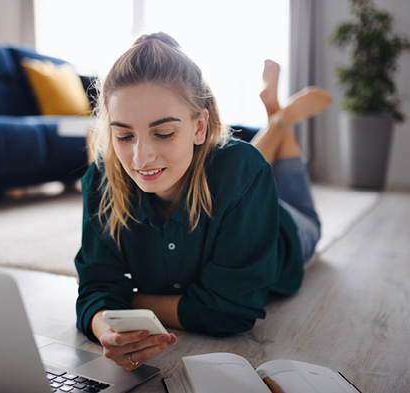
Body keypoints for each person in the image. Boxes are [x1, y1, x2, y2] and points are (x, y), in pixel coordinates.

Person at [74, 32, 332, 370]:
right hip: (238, 190)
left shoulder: (242, 170)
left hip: (289, 230)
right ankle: (278, 119)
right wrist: (105, 326)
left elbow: (229, 312)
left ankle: (279, 121)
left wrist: (127, 300)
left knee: (302, 214)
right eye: (124, 135)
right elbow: (94, 288)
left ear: (199, 126)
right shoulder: (102, 179)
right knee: (241, 171)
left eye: (163, 133)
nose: (141, 157)